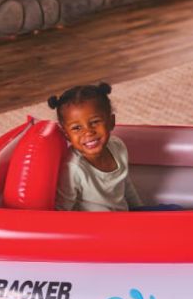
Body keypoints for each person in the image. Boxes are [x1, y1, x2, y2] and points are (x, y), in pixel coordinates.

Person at [49, 82, 144, 211]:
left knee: (173, 211)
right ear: (66, 135)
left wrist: (140, 210)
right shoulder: (73, 169)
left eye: (95, 122)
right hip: (96, 229)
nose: (88, 132)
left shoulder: (118, 147)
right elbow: (62, 210)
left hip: (124, 219)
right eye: (77, 128)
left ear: (111, 122)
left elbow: (125, 185)